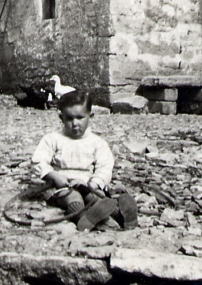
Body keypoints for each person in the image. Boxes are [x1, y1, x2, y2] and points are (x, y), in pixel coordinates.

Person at [31, 89, 137, 231]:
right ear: (61, 118)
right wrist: (55, 176)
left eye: (80, 118)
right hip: (63, 186)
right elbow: (38, 161)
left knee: (96, 199)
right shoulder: (53, 139)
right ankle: (82, 218)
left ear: (90, 116)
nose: (75, 124)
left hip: (87, 184)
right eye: (69, 118)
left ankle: (122, 217)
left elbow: (105, 166)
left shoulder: (97, 142)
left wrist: (94, 183)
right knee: (73, 197)